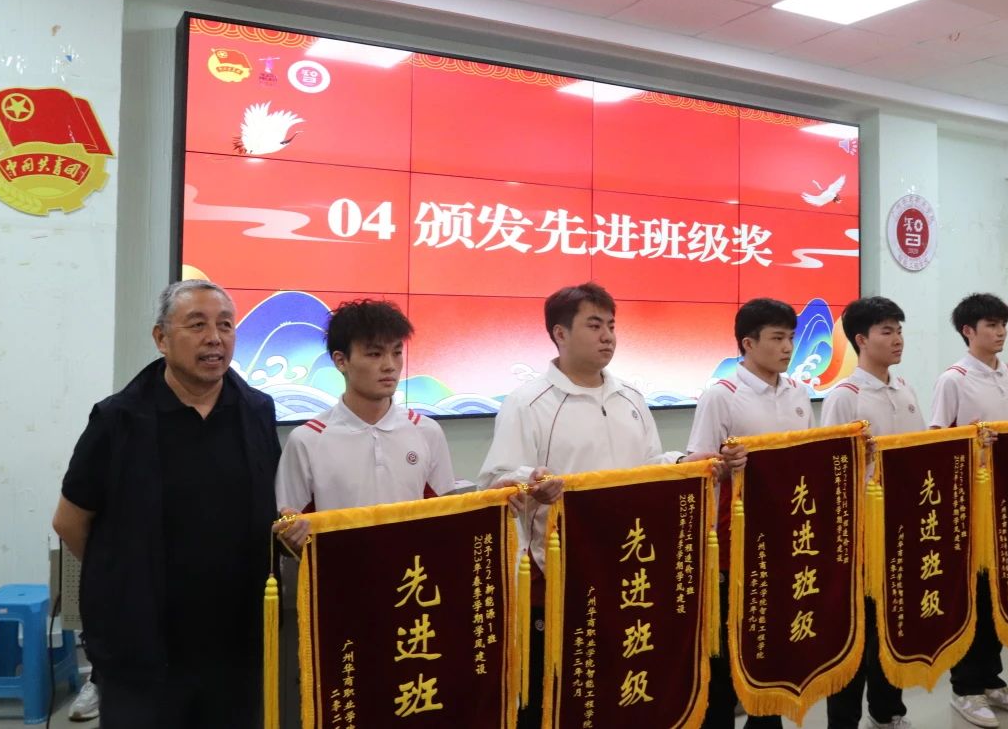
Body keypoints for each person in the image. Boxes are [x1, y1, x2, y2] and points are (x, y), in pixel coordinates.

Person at [52, 280, 308, 729]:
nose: (215, 338)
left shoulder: (255, 410)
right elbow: (70, 521)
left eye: (225, 325)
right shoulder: (118, 419)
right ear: (161, 338)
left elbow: (271, 505)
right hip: (143, 643)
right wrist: (123, 577)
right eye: (197, 325)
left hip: (236, 638)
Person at [477, 282, 728, 729]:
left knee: (621, 687)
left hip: (628, 570)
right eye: (594, 325)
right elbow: (497, 480)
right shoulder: (527, 403)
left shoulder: (630, 397)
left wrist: (686, 465)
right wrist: (530, 481)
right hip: (558, 578)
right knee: (558, 697)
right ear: (560, 334)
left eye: (611, 325)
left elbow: (649, 466)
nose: (608, 336)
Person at [686, 298, 798, 729]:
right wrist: (721, 464)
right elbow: (698, 465)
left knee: (770, 644)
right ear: (748, 344)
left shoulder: (797, 390)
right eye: (777, 338)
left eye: (790, 338)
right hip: (734, 543)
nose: (787, 347)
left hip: (784, 535)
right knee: (726, 648)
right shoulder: (722, 395)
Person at [930, 293, 1008, 728]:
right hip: (970, 504)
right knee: (970, 596)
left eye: (1002, 324)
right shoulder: (953, 379)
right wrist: (972, 446)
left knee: (997, 594)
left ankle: (992, 680)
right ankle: (965, 688)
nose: (1000, 332)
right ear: (968, 331)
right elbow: (937, 443)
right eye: (991, 325)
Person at [821, 297, 920, 729]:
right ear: (861, 340)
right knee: (855, 631)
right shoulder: (844, 396)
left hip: (904, 526)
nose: (897, 339)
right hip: (861, 532)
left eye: (899, 329)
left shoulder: (905, 389)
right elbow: (830, 470)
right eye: (886, 331)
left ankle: (888, 711)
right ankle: (844, 720)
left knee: (893, 623)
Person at [276, 299, 454, 512]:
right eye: (375, 354)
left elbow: (444, 515)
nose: (389, 366)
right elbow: (291, 521)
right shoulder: (306, 440)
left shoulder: (427, 431)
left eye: (396, 352)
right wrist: (290, 527)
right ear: (341, 361)